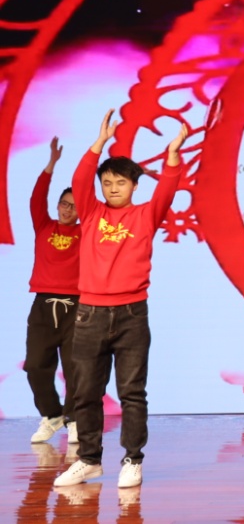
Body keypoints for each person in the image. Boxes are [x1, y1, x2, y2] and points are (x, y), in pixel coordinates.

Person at [54, 109, 188, 489]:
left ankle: (132, 459)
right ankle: (88, 460)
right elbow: (80, 180)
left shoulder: (146, 215)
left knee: (132, 393)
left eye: (121, 182)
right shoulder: (91, 213)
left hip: (131, 315)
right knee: (85, 392)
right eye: (107, 182)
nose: (113, 188)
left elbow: (169, 188)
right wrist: (99, 143)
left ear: (134, 186)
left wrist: (172, 155)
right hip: (90, 314)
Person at [25, 136, 82, 445]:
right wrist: (51, 164)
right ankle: (52, 415)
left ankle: (74, 419)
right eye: (64, 204)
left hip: (77, 306)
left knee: (75, 368)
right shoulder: (44, 226)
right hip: (43, 305)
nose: (67, 210)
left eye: (74, 206)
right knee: (36, 365)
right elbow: (37, 197)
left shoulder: (87, 232)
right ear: (57, 205)